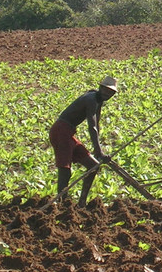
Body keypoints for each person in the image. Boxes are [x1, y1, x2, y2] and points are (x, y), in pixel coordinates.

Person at [50, 76, 118, 206]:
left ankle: (82, 203)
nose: (108, 94)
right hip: (61, 130)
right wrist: (98, 150)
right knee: (65, 169)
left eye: (111, 92)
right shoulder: (91, 99)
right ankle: (61, 203)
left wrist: (99, 151)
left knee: (93, 166)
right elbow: (91, 127)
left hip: (69, 132)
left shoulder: (98, 101)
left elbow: (96, 124)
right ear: (100, 88)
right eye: (106, 90)